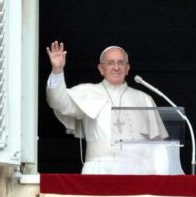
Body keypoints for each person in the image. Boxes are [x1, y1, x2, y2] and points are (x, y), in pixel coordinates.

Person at [46, 41, 172, 174]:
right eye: (111, 63)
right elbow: (57, 101)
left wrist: (160, 179)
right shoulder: (87, 92)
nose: (116, 67)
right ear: (101, 69)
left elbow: (158, 147)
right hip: (98, 170)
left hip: (138, 172)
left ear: (127, 68)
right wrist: (57, 71)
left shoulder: (144, 99)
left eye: (121, 62)